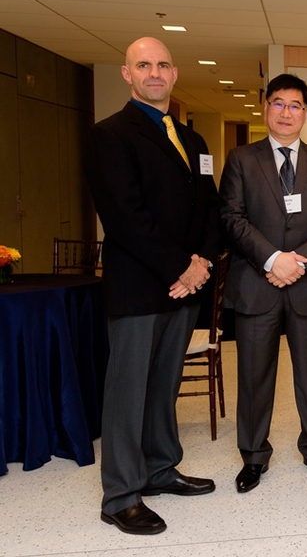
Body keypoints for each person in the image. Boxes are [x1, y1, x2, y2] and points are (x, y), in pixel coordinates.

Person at [84, 37, 220, 535]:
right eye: (144, 65)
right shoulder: (110, 135)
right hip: (142, 287)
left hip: (186, 289)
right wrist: (179, 268)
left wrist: (203, 261)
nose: (155, 73)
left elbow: (210, 208)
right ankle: (120, 494)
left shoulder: (194, 141)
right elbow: (124, 217)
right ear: (128, 74)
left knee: (163, 387)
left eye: (163, 65)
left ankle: (160, 469)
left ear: (175, 73)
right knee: (127, 391)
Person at [220, 73, 307, 492]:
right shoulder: (241, 159)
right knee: (254, 377)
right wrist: (274, 260)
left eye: (295, 105)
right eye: (278, 103)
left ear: (306, 113)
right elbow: (231, 219)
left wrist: (298, 264)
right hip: (258, 286)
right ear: (265, 107)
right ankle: (254, 456)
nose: (286, 112)